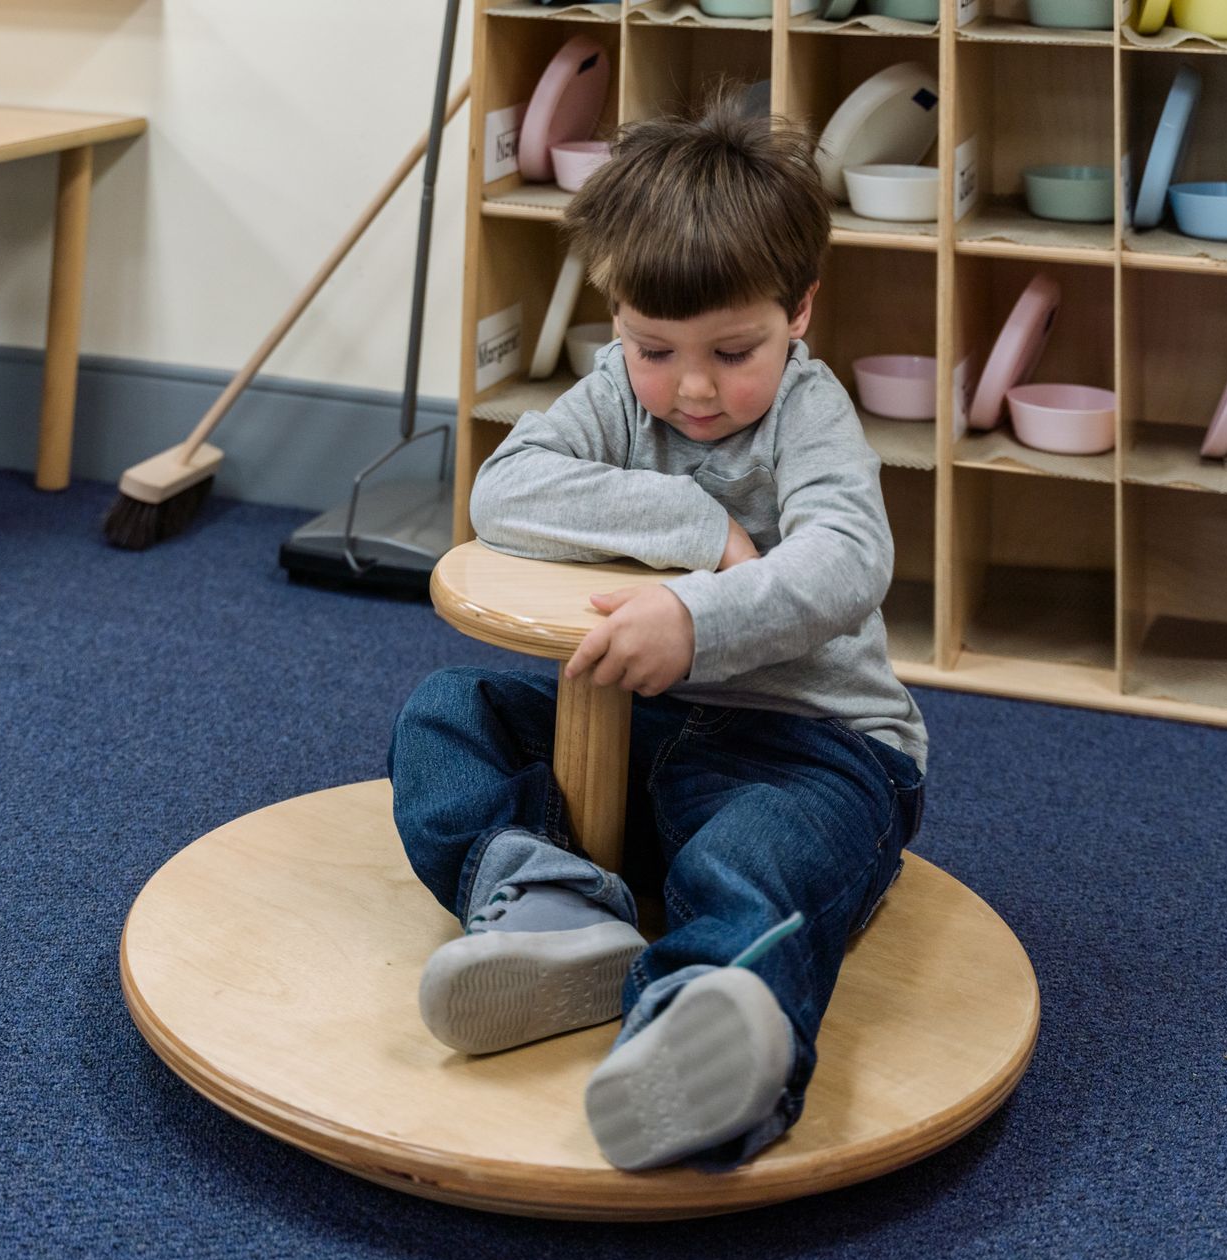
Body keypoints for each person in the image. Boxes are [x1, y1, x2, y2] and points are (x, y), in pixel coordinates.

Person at [388, 90, 927, 1172]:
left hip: (815, 750)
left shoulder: (810, 415)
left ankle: (702, 1036)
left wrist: (698, 613)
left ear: (801, 312)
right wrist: (699, 528)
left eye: (734, 351)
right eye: (651, 347)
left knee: (751, 861)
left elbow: (849, 561)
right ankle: (553, 912)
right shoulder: (615, 391)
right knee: (448, 715)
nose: (690, 389)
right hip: (646, 731)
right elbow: (506, 488)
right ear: (617, 311)